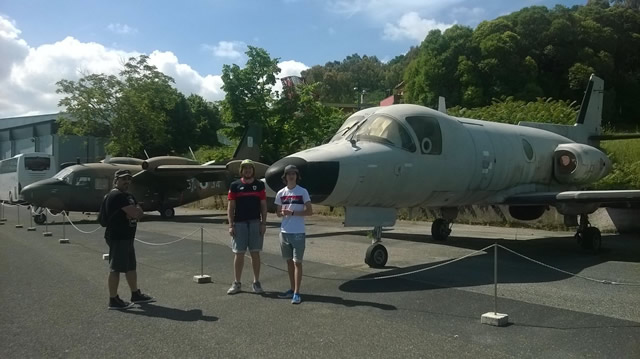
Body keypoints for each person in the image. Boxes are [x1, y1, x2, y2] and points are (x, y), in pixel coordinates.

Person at [104, 169, 154, 310]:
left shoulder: (128, 196)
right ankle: (113, 299)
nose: (126, 181)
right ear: (116, 181)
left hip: (127, 236)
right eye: (123, 179)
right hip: (118, 237)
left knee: (131, 266)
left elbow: (139, 213)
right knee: (116, 268)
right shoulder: (116, 196)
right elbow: (135, 213)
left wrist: (134, 213)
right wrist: (133, 213)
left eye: (128, 179)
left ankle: (135, 294)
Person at [226, 159, 268, 294]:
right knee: (239, 254)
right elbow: (231, 207)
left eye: (250, 168)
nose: (248, 171)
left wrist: (263, 223)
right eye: (245, 168)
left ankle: (256, 282)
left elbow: (263, 205)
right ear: (241, 171)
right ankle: (237, 283)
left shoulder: (260, 185)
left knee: (255, 253)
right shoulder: (235, 185)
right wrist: (231, 225)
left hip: (255, 222)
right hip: (239, 223)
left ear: (253, 170)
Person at [274, 165, 312, 304]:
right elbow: (278, 212)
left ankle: (297, 292)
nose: (291, 176)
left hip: (298, 232)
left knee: (297, 263)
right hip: (284, 232)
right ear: (285, 177)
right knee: (289, 262)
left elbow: (310, 211)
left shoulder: (303, 192)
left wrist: (294, 213)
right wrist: (282, 213)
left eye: (293, 174)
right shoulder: (281, 193)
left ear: (297, 176)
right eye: (289, 174)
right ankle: (291, 289)